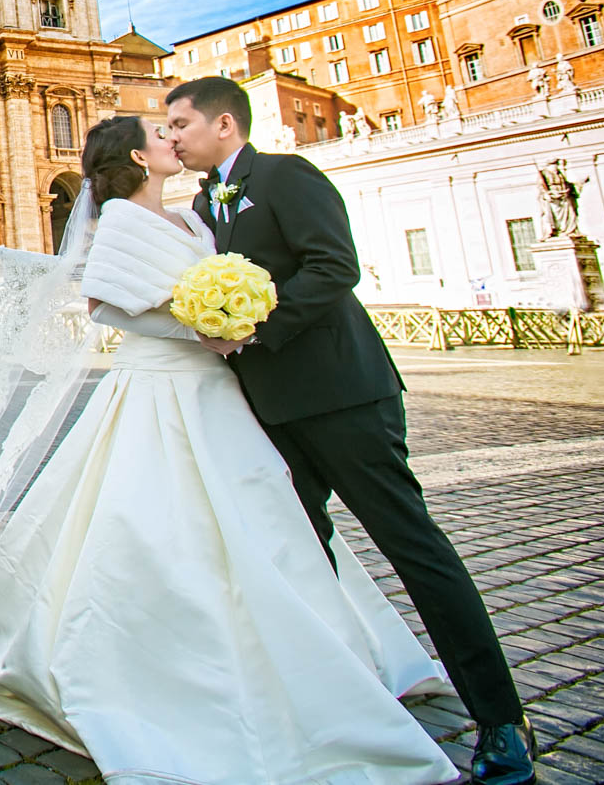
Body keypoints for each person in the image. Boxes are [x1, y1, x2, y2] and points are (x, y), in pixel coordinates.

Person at [0, 115, 456, 784]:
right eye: (162, 133)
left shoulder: (197, 220)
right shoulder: (119, 222)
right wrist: (198, 326)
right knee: (162, 528)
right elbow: (104, 306)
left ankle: (309, 662)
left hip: (215, 394)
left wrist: (229, 319)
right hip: (163, 389)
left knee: (262, 524)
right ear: (140, 154)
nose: (175, 136)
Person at [165, 76, 533, 785]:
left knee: (413, 548)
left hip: (342, 397)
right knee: (298, 556)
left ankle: (501, 718)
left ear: (222, 124)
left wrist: (250, 325)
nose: (171, 136)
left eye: (179, 123)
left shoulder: (285, 175)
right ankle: (337, 691)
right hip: (270, 409)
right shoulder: (206, 202)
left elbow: (335, 265)